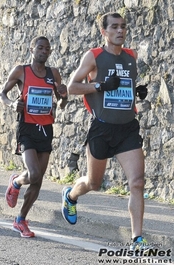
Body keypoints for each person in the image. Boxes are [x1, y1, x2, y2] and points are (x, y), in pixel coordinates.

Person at [61, 12, 149, 251]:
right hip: (102, 128)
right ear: (104, 32)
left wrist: (136, 92)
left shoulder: (132, 56)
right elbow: (72, 86)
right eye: (114, 27)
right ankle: (71, 196)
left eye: (123, 27)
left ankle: (137, 240)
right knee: (94, 183)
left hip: (127, 129)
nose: (120, 31)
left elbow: (124, 87)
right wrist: (99, 85)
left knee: (137, 182)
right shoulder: (94, 56)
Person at [0, 36, 68, 237]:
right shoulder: (21, 71)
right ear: (32, 49)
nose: (44, 51)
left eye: (47, 48)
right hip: (27, 127)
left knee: (38, 180)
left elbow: (62, 103)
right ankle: (16, 183)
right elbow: (1, 94)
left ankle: (20, 219)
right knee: (34, 173)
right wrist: (12, 103)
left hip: (46, 129)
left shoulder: (53, 73)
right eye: (40, 47)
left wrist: (64, 96)